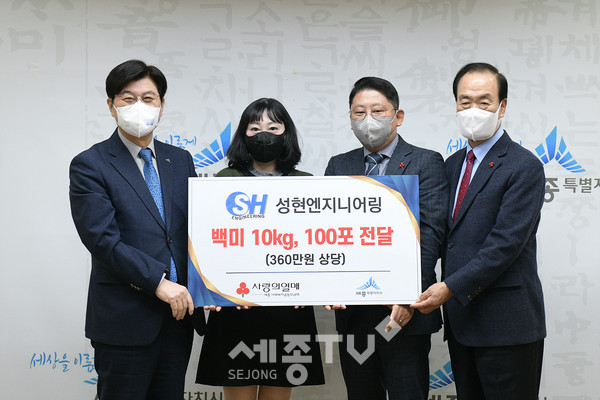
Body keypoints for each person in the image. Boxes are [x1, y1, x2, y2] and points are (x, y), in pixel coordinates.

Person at [412, 62, 546, 400]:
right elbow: (440, 236)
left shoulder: (524, 166)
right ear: (456, 105)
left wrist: (448, 288)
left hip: (507, 325)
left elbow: (505, 245)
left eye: (484, 102)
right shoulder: (452, 165)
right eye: (465, 101)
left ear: (502, 106)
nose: (473, 110)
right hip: (463, 322)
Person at [69, 59, 202, 400]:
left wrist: (212, 287)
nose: (139, 106)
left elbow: (196, 233)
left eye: (148, 98)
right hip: (124, 319)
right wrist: (159, 282)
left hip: (178, 317)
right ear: (111, 105)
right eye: (128, 99)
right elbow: (103, 240)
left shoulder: (180, 160)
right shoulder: (91, 164)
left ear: (161, 105)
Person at [324, 77, 448, 400]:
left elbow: (430, 234)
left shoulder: (426, 162)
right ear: (350, 119)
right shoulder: (339, 165)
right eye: (359, 112)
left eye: (378, 111)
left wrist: (407, 296)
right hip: (354, 315)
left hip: (403, 313)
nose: (368, 120)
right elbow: (328, 234)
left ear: (398, 116)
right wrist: (328, 282)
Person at [195, 98, 325, 400]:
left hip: (289, 310)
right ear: (243, 135)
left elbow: (315, 244)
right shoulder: (224, 180)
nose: (264, 135)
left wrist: (308, 287)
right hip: (235, 308)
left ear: (286, 134)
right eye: (254, 128)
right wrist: (218, 290)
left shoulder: (306, 183)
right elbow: (210, 243)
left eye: (273, 128)